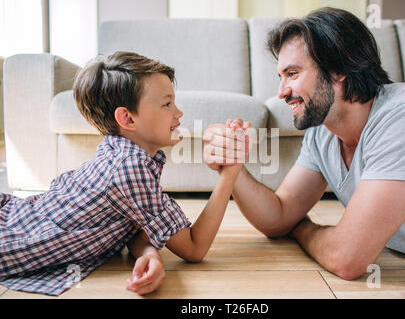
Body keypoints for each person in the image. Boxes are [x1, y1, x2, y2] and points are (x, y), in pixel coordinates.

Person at [203, 7, 405, 280]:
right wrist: (234, 166)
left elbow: (346, 259)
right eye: (281, 77)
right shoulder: (323, 133)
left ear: (337, 70)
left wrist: (302, 229)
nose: (282, 92)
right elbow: (279, 217)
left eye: (293, 74)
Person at [0, 52, 244, 296]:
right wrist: (230, 171)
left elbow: (134, 223)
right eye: (167, 104)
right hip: (19, 234)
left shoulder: (120, 150)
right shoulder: (130, 169)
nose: (178, 113)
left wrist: (150, 254)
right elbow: (194, 248)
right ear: (127, 118)